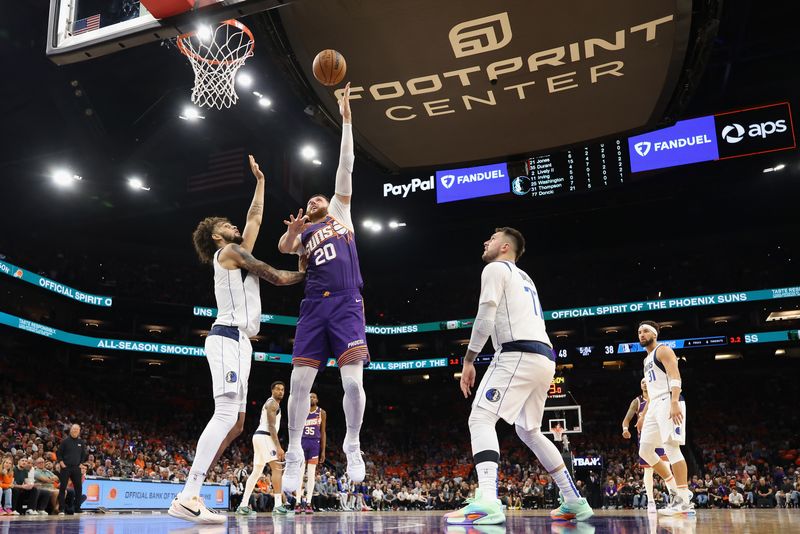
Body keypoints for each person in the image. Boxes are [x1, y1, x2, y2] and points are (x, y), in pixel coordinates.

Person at [170, 160, 306, 524]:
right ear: (217, 237)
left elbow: (255, 220)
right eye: (226, 225)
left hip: (242, 344)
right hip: (227, 336)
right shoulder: (228, 253)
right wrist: (306, 272)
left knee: (238, 424)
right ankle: (188, 493)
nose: (234, 226)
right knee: (226, 414)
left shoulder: (236, 250)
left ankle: (191, 493)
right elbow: (274, 276)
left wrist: (261, 182)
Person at [444, 228, 593, 526]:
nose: (486, 241)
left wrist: (470, 359)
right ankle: (574, 499)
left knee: (481, 418)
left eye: (492, 238)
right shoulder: (526, 278)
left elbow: (485, 315)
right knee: (530, 431)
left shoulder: (495, 268)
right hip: (544, 358)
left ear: (505, 247)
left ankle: (487, 500)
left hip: (518, 353)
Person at [277, 83, 369, 493]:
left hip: (348, 303)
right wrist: (293, 234)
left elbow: (345, 165)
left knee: (353, 383)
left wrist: (346, 117)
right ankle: (294, 451)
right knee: (299, 384)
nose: (316, 200)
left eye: (320, 197)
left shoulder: (340, 213)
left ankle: (353, 442)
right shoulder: (306, 231)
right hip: (314, 306)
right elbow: (283, 248)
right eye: (311, 199)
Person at [636, 321, 694, 516]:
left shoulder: (663, 350)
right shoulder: (646, 360)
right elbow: (651, 392)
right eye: (639, 332)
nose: (641, 335)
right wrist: (644, 414)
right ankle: (675, 488)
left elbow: (675, 375)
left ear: (654, 334)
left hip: (669, 399)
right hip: (654, 405)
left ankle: (684, 499)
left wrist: (675, 401)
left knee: (671, 447)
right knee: (645, 450)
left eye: (645, 331)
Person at [238, 381, 293, 515]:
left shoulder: (272, 404)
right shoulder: (272, 403)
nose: (280, 391)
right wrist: (278, 446)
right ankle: (278, 505)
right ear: (272, 390)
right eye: (278, 389)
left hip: (260, 436)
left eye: (282, 390)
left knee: (256, 472)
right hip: (265, 436)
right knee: (277, 468)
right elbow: (271, 426)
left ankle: (243, 506)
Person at [622, 378, 671, 513]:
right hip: (646, 439)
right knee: (648, 470)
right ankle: (650, 501)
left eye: (646, 381)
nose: (644, 383)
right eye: (641, 381)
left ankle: (674, 498)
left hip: (660, 437)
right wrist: (625, 430)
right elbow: (626, 420)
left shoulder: (659, 397)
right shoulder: (637, 401)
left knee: (666, 468)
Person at [294, 391, 327, 514]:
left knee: (312, 474)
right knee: (300, 474)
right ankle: (297, 502)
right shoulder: (301, 411)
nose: (311, 398)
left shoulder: (321, 412)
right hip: (302, 443)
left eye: (314, 396)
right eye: (309, 397)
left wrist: (323, 451)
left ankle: (308, 503)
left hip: (314, 444)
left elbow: (323, 432)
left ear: (317, 400)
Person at [57, 424, 86, 515]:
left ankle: (77, 508)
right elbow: (59, 453)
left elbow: (83, 454)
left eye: (77, 429)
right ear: (70, 430)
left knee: (79, 488)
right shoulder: (65, 441)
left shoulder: (81, 442)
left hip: (76, 468)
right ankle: (61, 509)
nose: (75, 431)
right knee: (63, 488)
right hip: (66, 467)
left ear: (79, 431)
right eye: (73, 429)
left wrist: (81, 463)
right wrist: (61, 463)